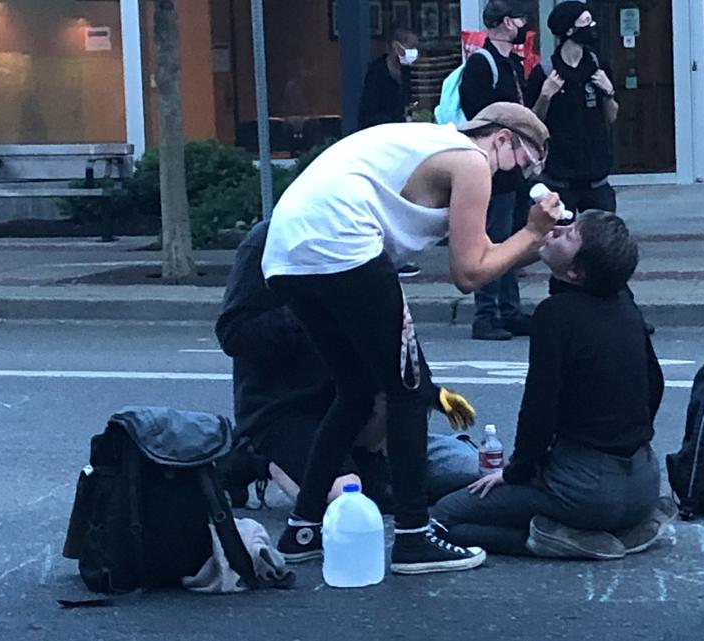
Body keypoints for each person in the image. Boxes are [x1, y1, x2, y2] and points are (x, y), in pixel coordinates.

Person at [261, 102, 561, 575]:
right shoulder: (472, 161)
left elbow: (484, 257)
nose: (520, 177)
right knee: (408, 390)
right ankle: (414, 536)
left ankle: (302, 529)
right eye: (523, 162)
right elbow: (469, 273)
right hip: (344, 239)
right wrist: (533, 232)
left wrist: (530, 242)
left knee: (357, 392)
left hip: (286, 252)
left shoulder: (433, 142)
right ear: (501, 139)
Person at [431, 211, 674, 559]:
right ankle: (621, 529)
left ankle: (560, 539)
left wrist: (516, 472)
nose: (557, 230)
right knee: (504, 505)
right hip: (644, 485)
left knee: (446, 518)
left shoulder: (556, 315)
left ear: (576, 271)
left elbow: (539, 410)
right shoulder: (624, 305)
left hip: (586, 489)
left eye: (570, 235)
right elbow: (654, 383)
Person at [215, 220, 481, 510]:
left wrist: (434, 394)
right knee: (347, 501)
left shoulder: (366, 239)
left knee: (469, 468)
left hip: (359, 417)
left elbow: (398, 338)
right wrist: (318, 306)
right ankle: (255, 457)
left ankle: (371, 464)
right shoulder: (269, 241)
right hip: (287, 410)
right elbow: (236, 335)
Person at [459, 0, 535, 341]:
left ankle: (509, 309)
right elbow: (479, 118)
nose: (522, 24)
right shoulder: (482, 64)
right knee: (492, 239)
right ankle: (486, 315)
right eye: (519, 19)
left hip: (512, 167)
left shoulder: (510, 64)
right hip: (494, 168)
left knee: (512, 238)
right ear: (505, 22)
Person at [525, 1, 620, 214]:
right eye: (586, 22)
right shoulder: (545, 72)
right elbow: (532, 122)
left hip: (596, 177)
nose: (592, 26)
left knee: (602, 241)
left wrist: (609, 92)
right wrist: (545, 95)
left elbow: (611, 117)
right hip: (559, 178)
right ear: (569, 30)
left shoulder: (598, 67)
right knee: (561, 238)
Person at [356, 27, 424, 279]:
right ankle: (383, 255)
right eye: (410, 46)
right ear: (396, 46)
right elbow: (369, 110)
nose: (413, 53)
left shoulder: (406, 72)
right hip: (378, 140)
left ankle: (397, 255)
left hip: (399, 142)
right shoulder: (377, 72)